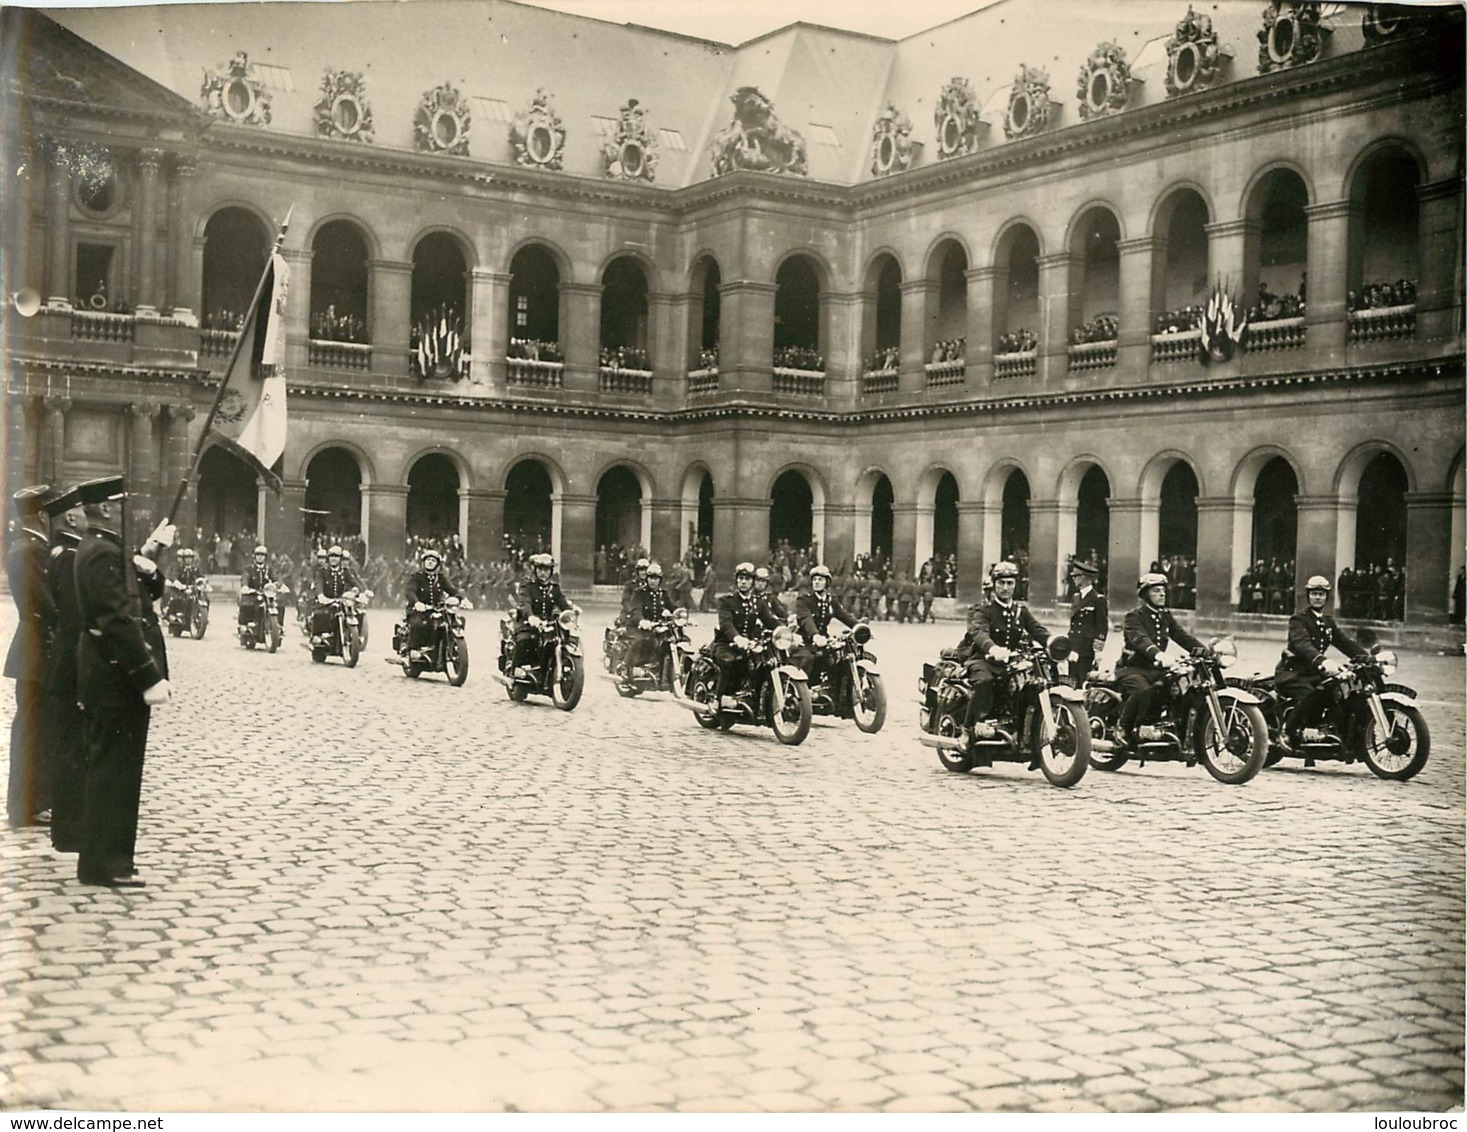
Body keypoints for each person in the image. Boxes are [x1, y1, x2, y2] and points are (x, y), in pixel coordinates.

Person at [72, 475, 174, 887]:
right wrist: (148, 676)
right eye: (123, 505)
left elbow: (141, 597)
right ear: (109, 509)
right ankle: (105, 863)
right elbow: (116, 621)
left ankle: (111, 860)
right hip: (116, 680)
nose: (128, 512)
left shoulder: (105, 550)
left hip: (113, 680)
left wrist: (149, 555)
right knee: (113, 775)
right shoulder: (101, 554)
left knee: (115, 772)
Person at [952, 561, 1050, 747]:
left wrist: (1055, 644)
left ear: (1015, 585)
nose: (1005, 588)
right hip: (983, 660)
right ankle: (968, 729)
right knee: (985, 681)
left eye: (1010, 583)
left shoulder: (1020, 611)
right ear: (994, 584)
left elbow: (1037, 629)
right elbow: (978, 632)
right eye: (1001, 583)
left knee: (1028, 685)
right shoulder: (984, 610)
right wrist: (992, 648)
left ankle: (1015, 727)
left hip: (1009, 662)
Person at [6, 485, 57, 830]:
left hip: (29, 647)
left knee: (30, 727)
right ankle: (29, 805)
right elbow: (46, 603)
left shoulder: (20, 547)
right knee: (35, 729)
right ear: (41, 515)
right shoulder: (34, 550)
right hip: (40, 647)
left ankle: (26, 804)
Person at [41, 485, 88, 853]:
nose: (91, 516)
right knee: (72, 747)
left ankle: (66, 825)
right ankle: (71, 830)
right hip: (73, 662)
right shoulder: (70, 555)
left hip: (60, 659)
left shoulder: (56, 550)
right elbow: (76, 617)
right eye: (86, 511)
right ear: (72, 517)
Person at [1273, 574, 1368, 747]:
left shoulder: (1327, 622)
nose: (1318, 597)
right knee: (1311, 693)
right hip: (1294, 673)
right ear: (1308, 596)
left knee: (1340, 689)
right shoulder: (1299, 620)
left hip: (1315, 673)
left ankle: (1328, 729)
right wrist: (1322, 661)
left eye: (1322, 594)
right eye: (1314, 593)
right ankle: (1288, 731)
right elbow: (1303, 645)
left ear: (1327, 597)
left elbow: (1345, 643)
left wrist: (1366, 657)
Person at [1114, 572, 1206, 749]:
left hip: (1157, 670)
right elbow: (1140, 639)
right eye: (1156, 591)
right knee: (1143, 691)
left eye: (1163, 590)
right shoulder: (1134, 616)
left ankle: (1168, 729)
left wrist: (1207, 653)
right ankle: (1123, 727)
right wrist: (1158, 655)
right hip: (1133, 669)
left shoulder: (1165, 616)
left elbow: (1183, 637)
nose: (1162, 594)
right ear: (1145, 594)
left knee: (1180, 689)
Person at [711, 561, 781, 698]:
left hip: (748, 645)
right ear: (736, 580)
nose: (743, 582)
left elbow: (770, 620)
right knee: (730, 662)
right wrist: (737, 638)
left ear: (753, 582)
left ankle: (754, 698)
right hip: (726, 644)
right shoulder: (726, 601)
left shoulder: (758, 603)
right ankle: (717, 699)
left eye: (747, 579)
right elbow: (726, 624)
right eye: (740, 578)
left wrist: (785, 631)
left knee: (763, 664)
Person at [791, 564, 857, 692]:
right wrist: (815, 635)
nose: (816, 582)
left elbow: (844, 616)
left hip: (824, 640)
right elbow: (806, 619)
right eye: (814, 579)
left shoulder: (831, 600)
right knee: (808, 659)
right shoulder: (804, 600)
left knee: (840, 659)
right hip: (805, 641)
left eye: (820, 579)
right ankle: (800, 693)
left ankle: (835, 693)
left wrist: (861, 627)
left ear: (827, 582)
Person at [512, 552, 570, 674]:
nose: (543, 573)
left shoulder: (554, 587)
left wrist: (571, 612)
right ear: (535, 570)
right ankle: (517, 673)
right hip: (528, 623)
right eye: (540, 569)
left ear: (551, 571)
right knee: (525, 640)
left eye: (546, 569)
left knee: (561, 639)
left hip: (547, 624)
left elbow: (562, 602)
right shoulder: (528, 586)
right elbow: (525, 603)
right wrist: (531, 617)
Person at [404, 546, 462, 661]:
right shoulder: (416, 577)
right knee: (419, 624)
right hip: (419, 610)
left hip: (437, 609)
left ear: (437, 564)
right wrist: (416, 603)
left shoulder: (440, 577)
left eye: (433, 560)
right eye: (428, 560)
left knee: (455, 622)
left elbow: (452, 589)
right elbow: (410, 591)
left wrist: (462, 599)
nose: (430, 562)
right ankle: (412, 650)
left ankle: (452, 647)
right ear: (424, 562)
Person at [623, 561, 675, 677]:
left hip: (656, 627)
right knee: (641, 640)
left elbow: (674, 607)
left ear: (660, 580)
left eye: (656, 578)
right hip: (637, 627)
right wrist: (642, 621)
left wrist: (680, 615)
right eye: (650, 578)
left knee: (672, 639)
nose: (653, 581)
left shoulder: (663, 593)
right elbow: (636, 610)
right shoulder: (639, 593)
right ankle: (627, 668)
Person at [1066, 559, 1108, 686]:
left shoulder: (1098, 599)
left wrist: (1098, 651)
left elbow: (1102, 627)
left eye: (1076, 576)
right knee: (1071, 682)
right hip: (1073, 647)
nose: (1073, 579)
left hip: (1087, 650)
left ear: (1085, 578)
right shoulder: (1076, 597)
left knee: (1084, 683)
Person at [311, 545, 362, 645]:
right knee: (321, 614)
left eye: (337, 556)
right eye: (331, 556)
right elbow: (319, 583)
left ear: (340, 558)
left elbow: (354, 582)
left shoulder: (345, 571)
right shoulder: (322, 571)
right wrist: (321, 595)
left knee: (357, 612)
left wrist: (356, 590)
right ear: (328, 558)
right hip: (326, 601)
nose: (334, 558)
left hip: (341, 600)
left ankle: (355, 636)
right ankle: (320, 637)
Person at [237, 544, 275, 636]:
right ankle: (245, 625)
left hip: (266, 594)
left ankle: (278, 626)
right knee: (247, 603)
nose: (260, 557)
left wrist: (279, 585)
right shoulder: (249, 568)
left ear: (265, 557)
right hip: (253, 593)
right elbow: (245, 577)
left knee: (278, 604)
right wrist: (245, 586)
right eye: (258, 555)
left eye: (262, 555)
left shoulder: (268, 569)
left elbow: (275, 578)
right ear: (254, 556)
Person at [619, 558, 649, 625]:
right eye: (641, 570)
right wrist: (633, 612)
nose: (643, 573)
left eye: (645, 570)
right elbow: (625, 601)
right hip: (631, 613)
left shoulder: (652, 586)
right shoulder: (630, 585)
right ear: (637, 572)